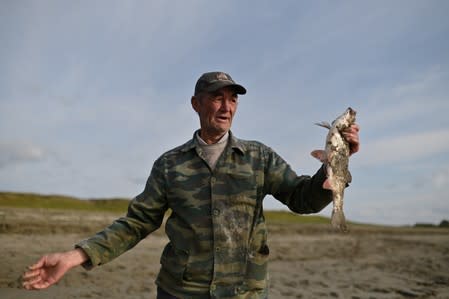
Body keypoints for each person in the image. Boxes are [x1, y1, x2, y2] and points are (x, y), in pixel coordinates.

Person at [22, 71, 360, 298]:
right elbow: (137, 222)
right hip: (181, 292)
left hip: (245, 293)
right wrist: (76, 255)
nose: (226, 107)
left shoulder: (259, 157)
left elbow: (302, 199)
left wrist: (333, 167)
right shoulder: (170, 165)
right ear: (196, 103)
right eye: (216, 97)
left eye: (233, 99)